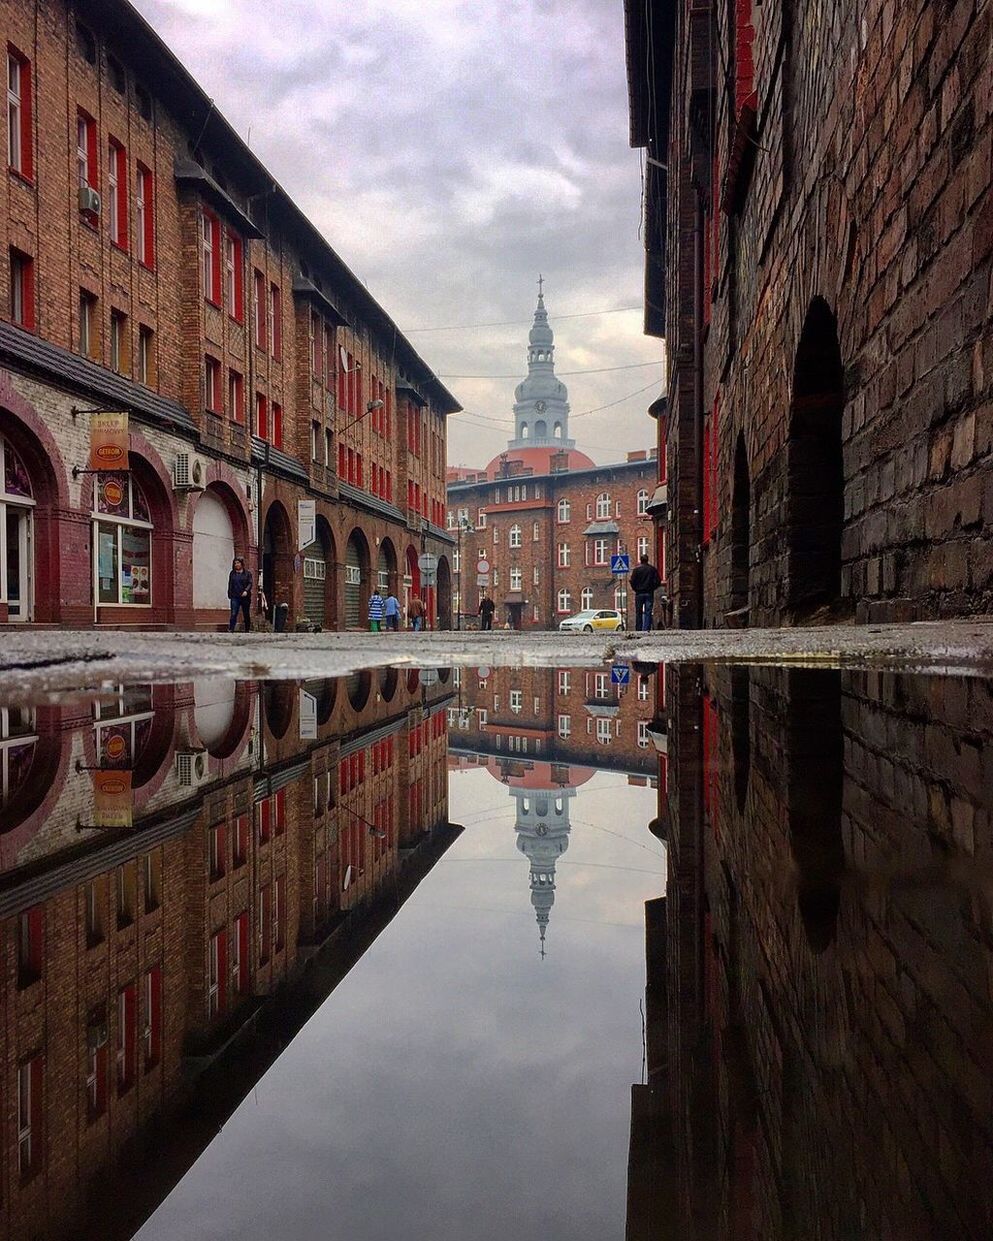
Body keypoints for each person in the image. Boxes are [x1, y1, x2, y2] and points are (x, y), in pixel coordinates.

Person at [629, 553, 662, 632]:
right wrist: (653, 588)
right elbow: (658, 581)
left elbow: (632, 581)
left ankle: (638, 628)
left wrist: (635, 589)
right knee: (648, 611)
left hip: (639, 593)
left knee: (638, 612)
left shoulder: (636, 570)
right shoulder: (652, 569)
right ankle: (647, 628)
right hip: (649, 593)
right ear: (647, 560)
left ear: (640, 560)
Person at [227, 557, 253, 632]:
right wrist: (229, 592)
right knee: (233, 613)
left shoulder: (247, 573)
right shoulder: (232, 573)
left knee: (246, 613)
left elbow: (250, 583)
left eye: (238, 563)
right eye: (235, 563)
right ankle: (231, 629)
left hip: (245, 596)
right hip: (235, 596)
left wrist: (246, 591)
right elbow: (230, 583)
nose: (236, 565)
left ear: (242, 564)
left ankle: (247, 629)